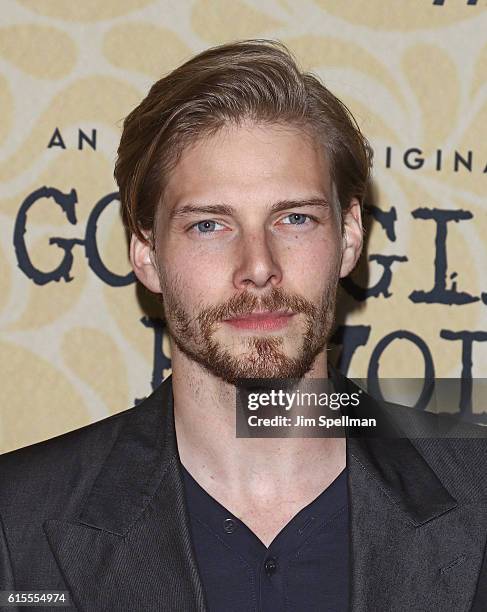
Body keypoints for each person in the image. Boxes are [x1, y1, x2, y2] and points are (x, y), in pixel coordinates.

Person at [1, 39, 486, 612]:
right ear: (147, 253)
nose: (259, 267)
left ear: (349, 236)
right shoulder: (17, 520)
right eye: (210, 226)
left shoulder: (477, 488)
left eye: (296, 218)